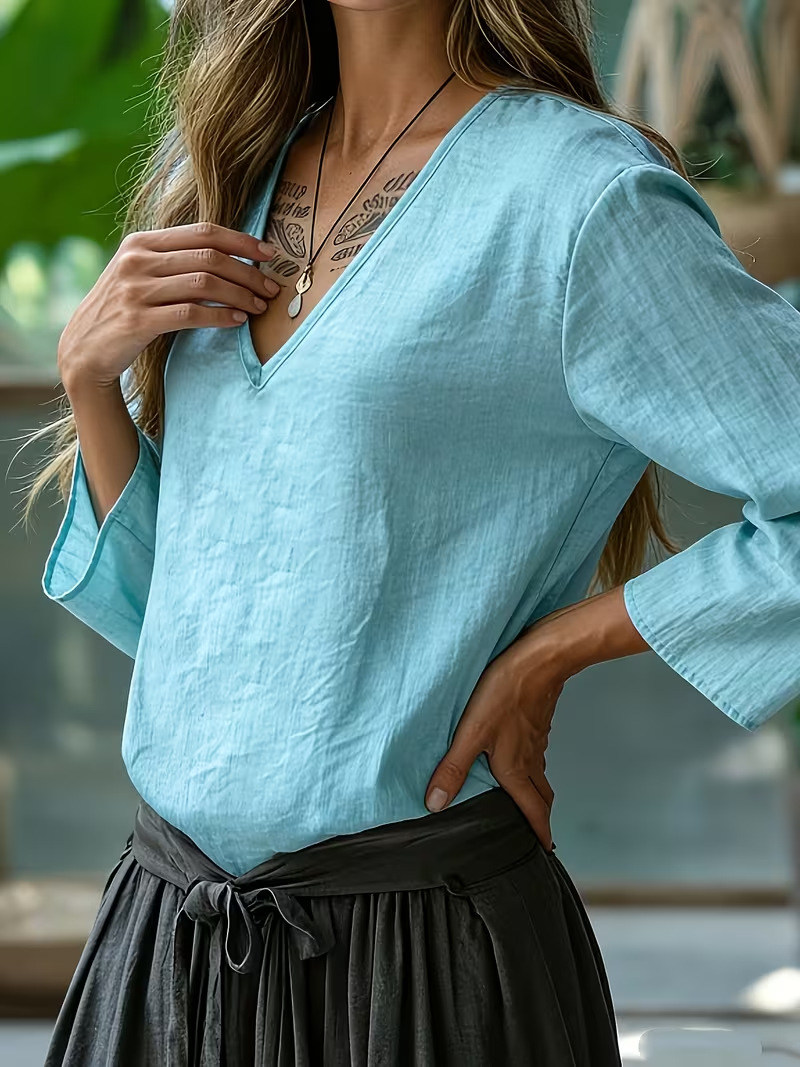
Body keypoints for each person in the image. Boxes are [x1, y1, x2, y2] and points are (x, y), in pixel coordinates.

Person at [21, 0, 800, 1063]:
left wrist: (553, 649)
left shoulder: (577, 196)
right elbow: (185, 618)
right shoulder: (221, 168)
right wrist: (89, 381)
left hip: (421, 955)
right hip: (165, 938)